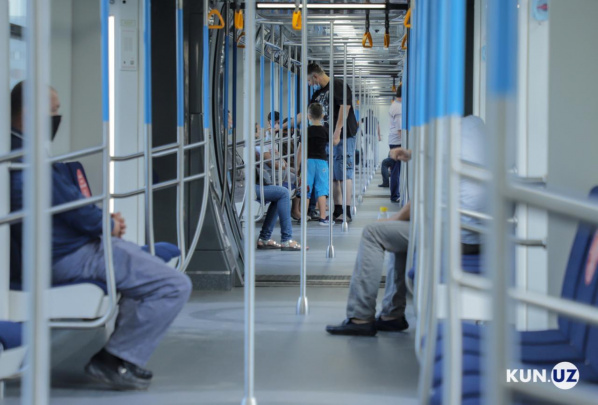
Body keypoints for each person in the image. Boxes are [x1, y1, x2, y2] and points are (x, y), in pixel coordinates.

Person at [9, 82, 192, 390]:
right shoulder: (26, 161)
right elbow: (74, 210)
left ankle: (121, 358)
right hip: (69, 255)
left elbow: (68, 205)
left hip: (67, 248)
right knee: (174, 285)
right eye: (52, 111)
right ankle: (114, 359)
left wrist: (105, 223)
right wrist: (107, 225)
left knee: (145, 275)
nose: (56, 118)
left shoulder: (20, 153)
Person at [326, 115, 486, 336]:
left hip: (455, 236)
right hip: (480, 235)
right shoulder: (477, 131)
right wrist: (412, 154)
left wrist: (391, 220)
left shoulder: (447, 138)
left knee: (374, 233)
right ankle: (392, 315)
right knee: (399, 236)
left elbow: (423, 198)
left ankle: (360, 317)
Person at [305, 62, 359, 224]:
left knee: (344, 172)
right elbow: (309, 113)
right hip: (328, 137)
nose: (310, 84)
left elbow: (345, 107)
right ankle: (338, 209)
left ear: (315, 76)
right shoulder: (317, 94)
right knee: (334, 175)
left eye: (309, 80)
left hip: (344, 135)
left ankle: (347, 211)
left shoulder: (338, 85)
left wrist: (337, 132)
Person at [296, 103, 331, 226]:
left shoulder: (306, 131)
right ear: (322, 116)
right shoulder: (325, 131)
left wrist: (297, 166)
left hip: (308, 162)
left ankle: (303, 217)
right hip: (322, 162)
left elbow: (300, 150)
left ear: (308, 116)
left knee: (306, 189)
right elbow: (334, 143)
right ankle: (323, 217)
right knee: (322, 189)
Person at [387, 86, 403, 202]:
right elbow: (400, 130)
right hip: (397, 142)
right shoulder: (398, 108)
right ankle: (395, 195)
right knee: (396, 170)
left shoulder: (396, 105)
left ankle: (395, 194)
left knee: (396, 170)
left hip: (395, 141)